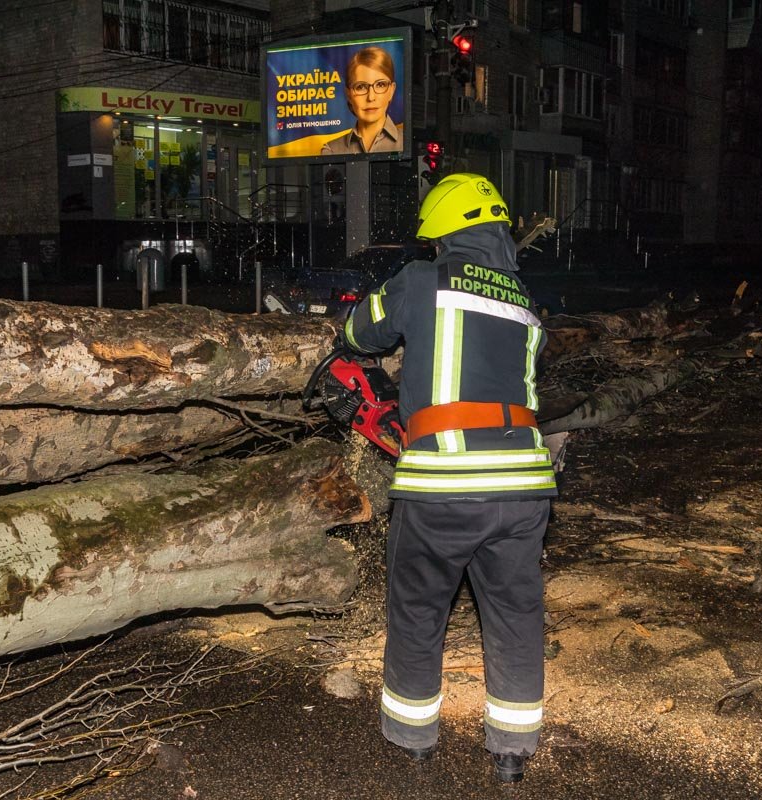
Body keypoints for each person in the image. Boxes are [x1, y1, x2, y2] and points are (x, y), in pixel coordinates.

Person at [340, 174, 555, 783]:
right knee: (515, 614)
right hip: (524, 487)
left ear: (443, 230)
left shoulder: (420, 279)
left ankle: (413, 738)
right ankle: (512, 750)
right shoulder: (524, 303)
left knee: (418, 609)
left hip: (443, 483)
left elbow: (359, 332)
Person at [320, 46, 403, 156]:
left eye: (380, 85)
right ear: (348, 95)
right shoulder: (331, 150)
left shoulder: (407, 143)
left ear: (392, 91)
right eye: (361, 87)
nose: (371, 97)